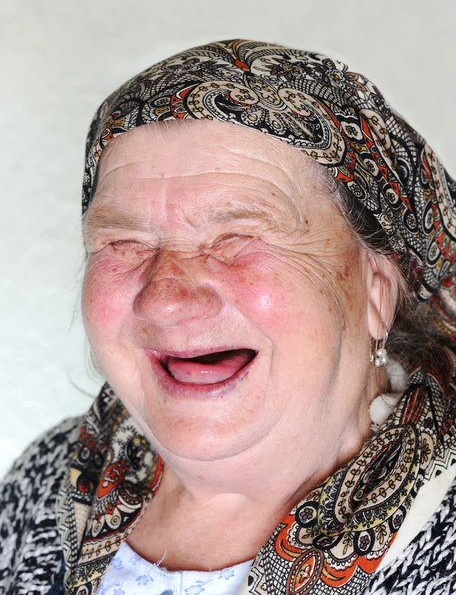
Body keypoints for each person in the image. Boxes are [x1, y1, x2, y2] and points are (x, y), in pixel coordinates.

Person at [1, 39, 455, 595]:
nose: (164, 298)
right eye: (123, 241)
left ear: (377, 292)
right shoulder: (47, 480)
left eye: (234, 237)